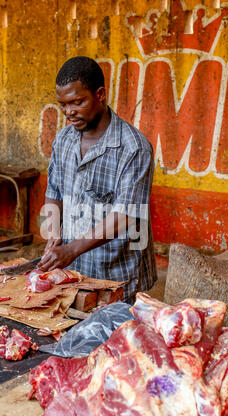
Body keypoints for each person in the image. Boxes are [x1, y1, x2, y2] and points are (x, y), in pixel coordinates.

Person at [38, 56, 157, 304]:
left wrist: (70, 249)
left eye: (78, 102)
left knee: (117, 339)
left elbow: (126, 216)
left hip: (118, 277)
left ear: (100, 94)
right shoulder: (64, 139)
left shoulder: (134, 148)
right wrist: (53, 235)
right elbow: (54, 192)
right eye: (63, 105)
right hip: (74, 272)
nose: (69, 112)